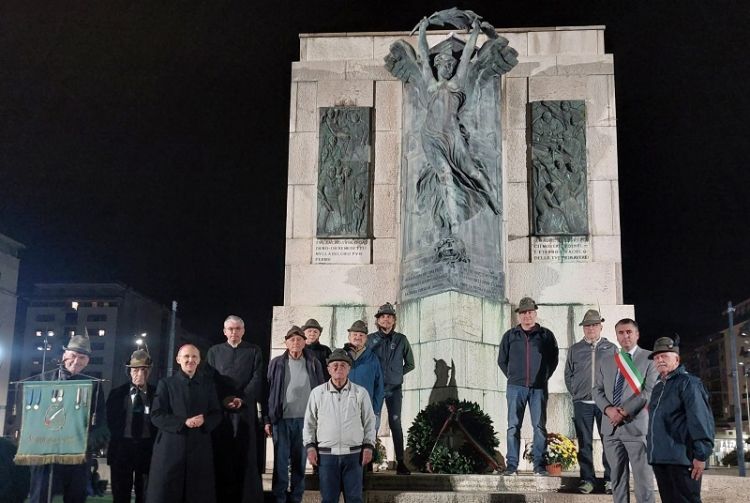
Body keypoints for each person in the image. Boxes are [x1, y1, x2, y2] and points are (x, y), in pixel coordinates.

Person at [29, 332, 108, 503]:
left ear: (87, 361)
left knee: (76, 497)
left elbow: (101, 422)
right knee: (41, 496)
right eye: (73, 356)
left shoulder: (93, 385)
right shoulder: (43, 380)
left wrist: (89, 441)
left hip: (77, 455)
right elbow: (31, 417)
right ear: (64, 355)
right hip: (46, 454)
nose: (76, 361)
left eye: (82, 358)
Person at [146, 344, 221, 503]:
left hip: (199, 448)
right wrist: (183, 422)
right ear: (178, 360)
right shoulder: (166, 384)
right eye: (186, 356)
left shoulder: (208, 384)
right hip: (171, 449)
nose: (190, 360)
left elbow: (216, 414)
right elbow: (156, 415)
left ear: (199, 360)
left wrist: (204, 421)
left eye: (194, 356)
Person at [593, 319, 657, 503]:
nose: (625, 336)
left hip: (635, 426)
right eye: (621, 332)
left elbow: (649, 391)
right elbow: (596, 390)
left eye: (629, 332)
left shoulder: (649, 358)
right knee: (617, 480)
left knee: (643, 481)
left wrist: (623, 412)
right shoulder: (606, 360)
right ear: (616, 335)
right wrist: (608, 409)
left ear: (637, 334)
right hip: (610, 429)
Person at [304, 349, 376, 503]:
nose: (338, 368)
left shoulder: (360, 393)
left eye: (343, 365)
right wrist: (310, 447)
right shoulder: (317, 393)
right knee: (329, 499)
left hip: (354, 456)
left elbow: (370, 421)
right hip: (326, 456)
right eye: (334, 365)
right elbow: (309, 423)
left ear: (349, 369)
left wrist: (369, 446)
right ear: (328, 369)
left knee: (355, 499)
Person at [647, 337, 714, 503]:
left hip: (682, 460)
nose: (659, 360)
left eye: (664, 356)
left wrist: (701, 455)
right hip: (661, 459)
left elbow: (700, 420)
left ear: (676, 358)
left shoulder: (689, 383)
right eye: (656, 357)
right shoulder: (658, 387)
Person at [497, 297, 559, 476]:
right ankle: (512, 466)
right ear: (519, 316)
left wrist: (544, 377)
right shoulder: (510, 336)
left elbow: (553, 359)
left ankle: (539, 466)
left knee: (539, 427)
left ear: (535, 313)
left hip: (538, 388)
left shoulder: (546, 335)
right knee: (512, 427)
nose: (527, 316)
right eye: (523, 313)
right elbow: (502, 360)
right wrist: (513, 377)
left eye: (530, 312)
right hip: (515, 388)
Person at [206, 315, 264, 503]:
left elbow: (257, 377)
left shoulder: (254, 350)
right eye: (230, 329)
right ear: (224, 331)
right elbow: (210, 379)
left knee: (245, 454)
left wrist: (242, 399)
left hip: (244, 409)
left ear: (243, 331)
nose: (234, 332)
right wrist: (223, 399)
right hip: (221, 410)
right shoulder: (214, 352)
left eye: (238, 329)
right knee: (222, 454)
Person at [265, 326, 326, 503]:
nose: (296, 343)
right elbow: (269, 390)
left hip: (305, 421)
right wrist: (268, 419)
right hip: (281, 420)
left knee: (300, 462)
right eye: (292, 340)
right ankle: (279, 498)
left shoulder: (313, 362)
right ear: (286, 342)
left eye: (299, 339)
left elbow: (322, 389)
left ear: (304, 342)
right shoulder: (276, 363)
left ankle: (296, 498)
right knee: (281, 463)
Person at [564, 310, 614, 494]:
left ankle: (610, 480)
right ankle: (587, 480)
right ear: (583, 329)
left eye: (594, 325)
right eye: (587, 325)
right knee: (584, 443)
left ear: (601, 326)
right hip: (582, 404)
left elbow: (618, 375)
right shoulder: (575, 349)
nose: (590, 328)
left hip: (605, 405)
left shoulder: (611, 348)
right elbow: (568, 374)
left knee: (609, 441)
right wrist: (576, 392)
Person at [367, 302, 414, 475]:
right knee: (373, 424)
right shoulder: (371, 339)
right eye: (383, 317)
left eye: (389, 317)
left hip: (394, 388)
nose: (386, 319)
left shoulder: (401, 339)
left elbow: (410, 363)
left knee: (396, 424)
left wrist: (397, 374)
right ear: (378, 320)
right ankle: (368, 461)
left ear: (394, 320)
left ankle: (401, 462)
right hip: (375, 389)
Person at [106, 349, 157, 503]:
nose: (139, 373)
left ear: (149, 371)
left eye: (143, 369)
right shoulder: (116, 394)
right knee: (120, 494)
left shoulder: (158, 393)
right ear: (129, 371)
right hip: (121, 450)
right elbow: (109, 422)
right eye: (135, 369)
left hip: (148, 449)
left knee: (146, 495)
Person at [343, 320, 384, 429]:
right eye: (355, 334)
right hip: (343, 411)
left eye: (361, 335)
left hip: (366, 411)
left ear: (366, 338)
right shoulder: (341, 356)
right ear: (349, 337)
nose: (358, 337)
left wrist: (376, 410)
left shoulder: (373, 359)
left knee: (366, 444)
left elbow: (379, 386)